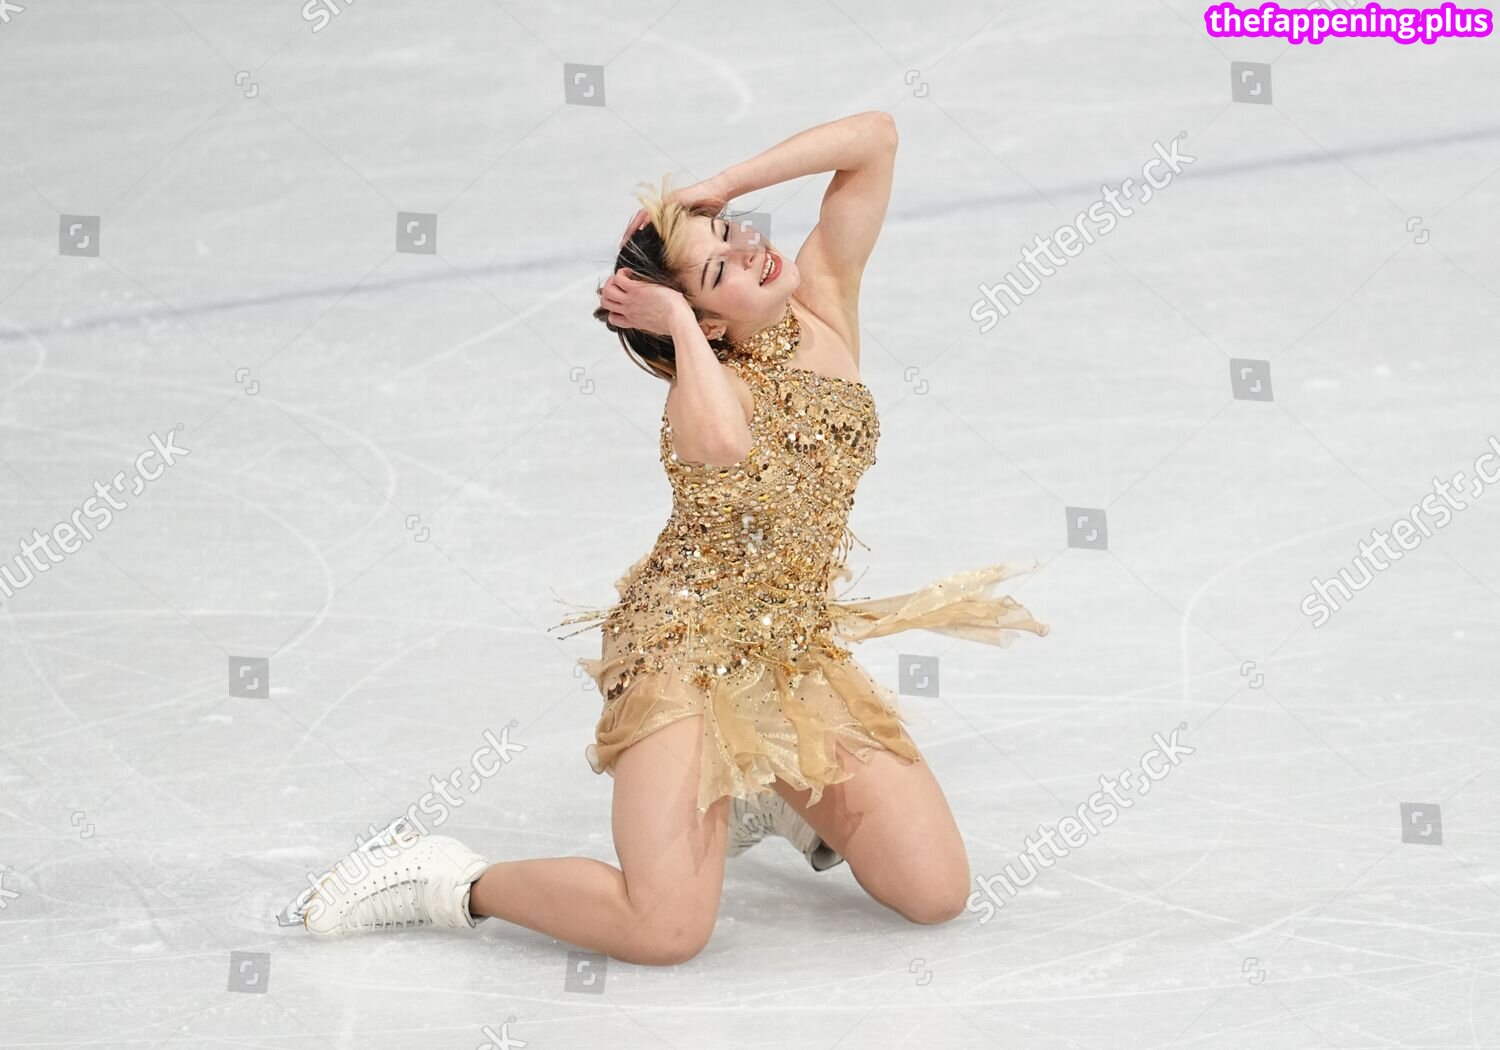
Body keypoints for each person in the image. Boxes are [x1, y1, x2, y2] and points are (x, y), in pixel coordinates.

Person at [278, 111, 1048, 965]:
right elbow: (725, 443)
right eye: (722, 270)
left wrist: (719, 188)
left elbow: (875, 139)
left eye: (734, 234)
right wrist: (680, 325)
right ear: (706, 325)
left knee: (936, 893)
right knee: (665, 929)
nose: (753, 251)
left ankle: (766, 786)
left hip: (788, 649)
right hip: (681, 651)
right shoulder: (704, 395)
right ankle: (450, 880)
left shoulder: (825, 302)